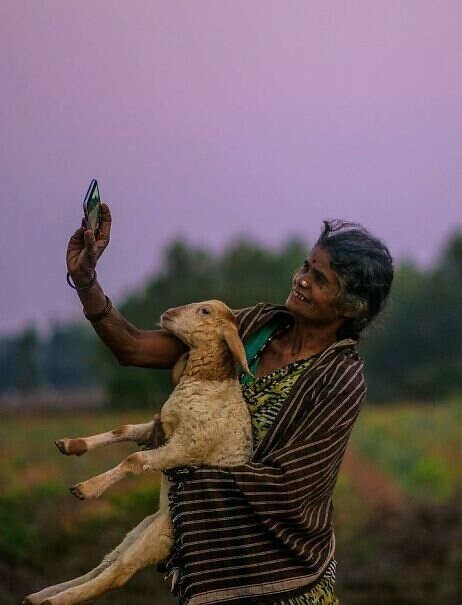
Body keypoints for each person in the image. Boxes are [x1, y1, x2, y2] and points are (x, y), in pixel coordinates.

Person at [66, 203, 393, 604]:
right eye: (306, 267)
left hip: (281, 580)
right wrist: (86, 281)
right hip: (220, 556)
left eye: (320, 279)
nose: (302, 280)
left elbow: (293, 487)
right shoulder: (252, 328)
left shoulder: (340, 378)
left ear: (350, 307)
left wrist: (183, 468)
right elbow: (133, 348)